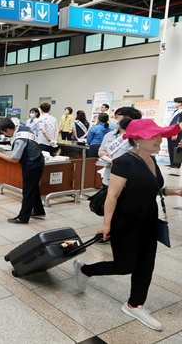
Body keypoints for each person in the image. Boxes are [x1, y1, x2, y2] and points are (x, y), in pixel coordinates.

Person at [73, 119, 182, 331]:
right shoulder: (124, 162)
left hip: (149, 219)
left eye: (161, 135)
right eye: (155, 135)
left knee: (146, 264)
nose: (161, 139)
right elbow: (113, 195)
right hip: (126, 221)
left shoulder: (152, 161)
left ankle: (134, 304)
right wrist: (106, 224)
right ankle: (85, 269)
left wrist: (173, 191)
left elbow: (150, 188)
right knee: (125, 265)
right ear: (139, 139)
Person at [0, 118, 45, 224]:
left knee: (28, 190)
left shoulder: (19, 139)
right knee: (34, 187)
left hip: (31, 164)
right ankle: (38, 210)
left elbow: (15, 159)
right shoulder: (23, 128)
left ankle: (23, 217)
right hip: (38, 160)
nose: (5, 136)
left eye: (4, 133)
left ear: (9, 130)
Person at [166, 97, 182, 168]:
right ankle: (172, 162)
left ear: (180, 103)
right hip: (171, 131)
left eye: (176, 102)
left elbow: (181, 123)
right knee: (170, 147)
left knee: (175, 147)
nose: (175, 104)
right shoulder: (176, 111)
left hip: (177, 132)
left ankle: (176, 163)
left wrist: (176, 133)